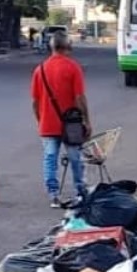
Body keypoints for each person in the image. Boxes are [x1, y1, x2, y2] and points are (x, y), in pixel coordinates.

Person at [30, 31, 91, 208]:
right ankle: (80, 192)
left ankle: (54, 195)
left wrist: (40, 120)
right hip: (71, 124)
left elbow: (34, 101)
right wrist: (86, 120)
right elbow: (79, 98)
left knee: (50, 159)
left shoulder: (39, 69)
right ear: (68, 47)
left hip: (47, 124)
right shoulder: (73, 67)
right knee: (75, 159)